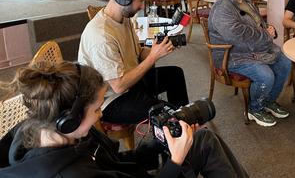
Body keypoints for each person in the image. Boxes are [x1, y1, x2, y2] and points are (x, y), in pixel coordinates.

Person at [0, 62, 249, 178]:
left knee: (202, 139)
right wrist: (174, 161)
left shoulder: (42, 132)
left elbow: (115, 161)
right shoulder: (73, 174)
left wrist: (160, 145)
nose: (101, 114)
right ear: (70, 120)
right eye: (97, 109)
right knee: (203, 144)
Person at [78, 0, 189, 124]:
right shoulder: (101, 36)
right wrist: (153, 57)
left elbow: (137, 53)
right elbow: (119, 86)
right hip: (111, 101)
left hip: (132, 83)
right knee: (170, 116)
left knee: (175, 75)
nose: (142, 6)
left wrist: (160, 50)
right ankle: (179, 127)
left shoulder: (123, 19)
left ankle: (184, 121)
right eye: (140, 1)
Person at [208, 0, 291, 127]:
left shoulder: (246, 1)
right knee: (265, 76)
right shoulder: (222, 9)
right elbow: (239, 36)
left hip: (253, 49)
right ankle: (255, 108)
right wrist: (266, 35)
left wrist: (269, 29)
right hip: (231, 55)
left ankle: (268, 101)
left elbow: (259, 23)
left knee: (285, 63)